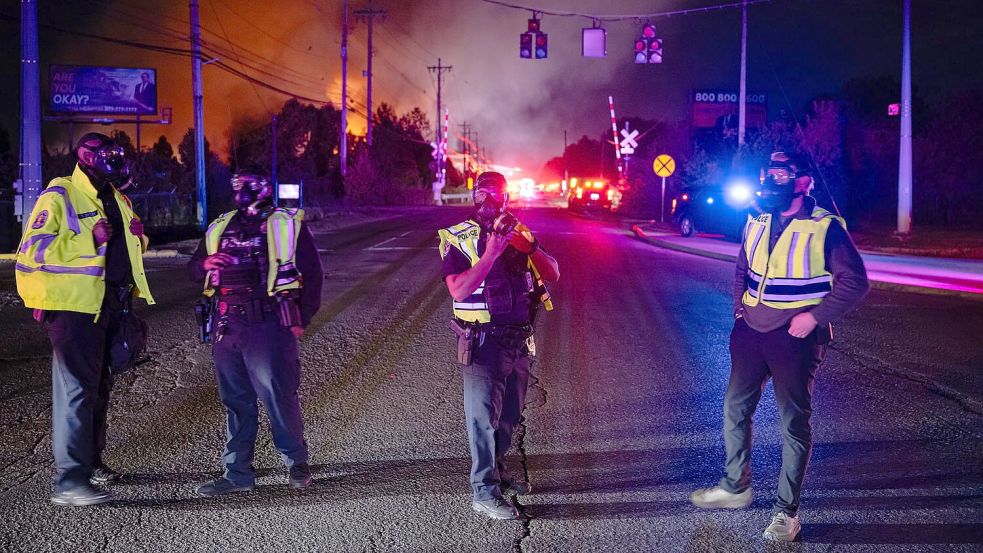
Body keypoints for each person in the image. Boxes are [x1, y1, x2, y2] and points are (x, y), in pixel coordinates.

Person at [690, 152, 870, 541]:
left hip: (796, 339)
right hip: (751, 332)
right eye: (768, 172)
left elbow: (855, 282)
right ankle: (735, 486)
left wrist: (813, 319)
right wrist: (740, 309)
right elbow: (743, 267)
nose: (772, 180)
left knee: (793, 422)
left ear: (803, 181)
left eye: (782, 174)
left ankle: (786, 513)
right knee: (734, 407)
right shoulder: (756, 217)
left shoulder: (825, 227)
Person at [16, 132, 155, 506]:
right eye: (107, 153)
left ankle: (91, 463)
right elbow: (31, 251)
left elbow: (124, 246)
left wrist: (139, 239)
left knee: (98, 388)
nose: (115, 159)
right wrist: (87, 240)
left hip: (109, 305)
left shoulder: (116, 197)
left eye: (118, 154)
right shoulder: (59, 194)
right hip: (73, 308)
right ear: (84, 155)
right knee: (77, 390)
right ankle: (69, 481)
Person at [187, 166, 322, 497]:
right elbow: (193, 267)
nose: (240, 191)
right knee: (235, 400)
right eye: (236, 185)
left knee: (278, 394)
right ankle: (238, 473)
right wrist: (205, 264)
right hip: (226, 323)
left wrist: (300, 318)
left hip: (268, 322)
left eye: (247, 185)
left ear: (263, 188)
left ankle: (296, 464)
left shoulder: (286, 223)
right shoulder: (221, 224)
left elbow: (313, 274)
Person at [438, 171, 559, 520]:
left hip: (518, 339)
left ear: (507, 197)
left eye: (496, 194)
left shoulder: (520, 232)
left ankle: (501, 469)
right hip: (482, 341)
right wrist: (490, 254)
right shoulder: (459, 237)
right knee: (482, 419)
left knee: (509, 415)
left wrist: (531, 247)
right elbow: (458, 289)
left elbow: (553, 273)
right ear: (474, 197)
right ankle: (483, 491)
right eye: (482, 194)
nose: (488, 201)